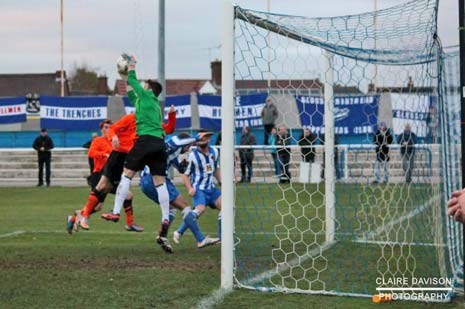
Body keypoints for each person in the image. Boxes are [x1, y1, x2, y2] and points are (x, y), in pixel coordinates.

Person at [67, 100, 176, 234]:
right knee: (102, 189)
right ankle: (83, 216)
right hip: (118, 156)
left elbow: (169, 129)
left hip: (129, 159)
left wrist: (172, 115)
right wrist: (113, 137)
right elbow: (112, 129)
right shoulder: (130, 118)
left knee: (127, 195)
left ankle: (128, 223)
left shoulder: (152, 124)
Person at [105, 54, 174, 253]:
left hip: (145, 141)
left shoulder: (148, 95)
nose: (141, 86)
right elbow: (131, 92)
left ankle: (116, 212)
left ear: (150, 89)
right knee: (160, 181)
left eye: (145, 85)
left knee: (127, 174)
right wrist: (123, 75)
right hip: (159, 144)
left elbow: (135, 83)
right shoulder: (149, 103)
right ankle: (165, 217)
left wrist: (132, 65)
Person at [139, 132, 219, 248]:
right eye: (187, 147)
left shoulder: (172, 151)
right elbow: (180, 141)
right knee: (185, 206)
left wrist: (183, 165)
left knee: (171, 209)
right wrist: (198, 137)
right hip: (155, 179)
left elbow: (181, 169)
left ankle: (162, 236)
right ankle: (200, 239)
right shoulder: (173, 143)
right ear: (185, 144)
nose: (187, 150)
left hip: (146, 182)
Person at [173, 131, 222, 243]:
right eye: (199, 137)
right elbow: (185, 175)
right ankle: (180, 231)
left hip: (212, 189)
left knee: (226, 208)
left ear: (208, 139)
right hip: (199, 189)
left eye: (204, 137)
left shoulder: (214, 151)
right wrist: (190, 188)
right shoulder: (192, 155)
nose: (202, 139)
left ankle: (222, 239)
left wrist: (221, 181)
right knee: (200, 210)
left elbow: (216, 168)